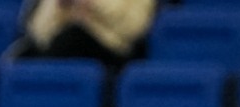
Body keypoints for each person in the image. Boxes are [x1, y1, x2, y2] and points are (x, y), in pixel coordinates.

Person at [10, 0, 157, 68]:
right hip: (58, 48)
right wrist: (60, 7)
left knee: (72, 38)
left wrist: (94, 5)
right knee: (19, 57)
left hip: (110, 53)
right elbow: (38, 32)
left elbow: (132, 30)